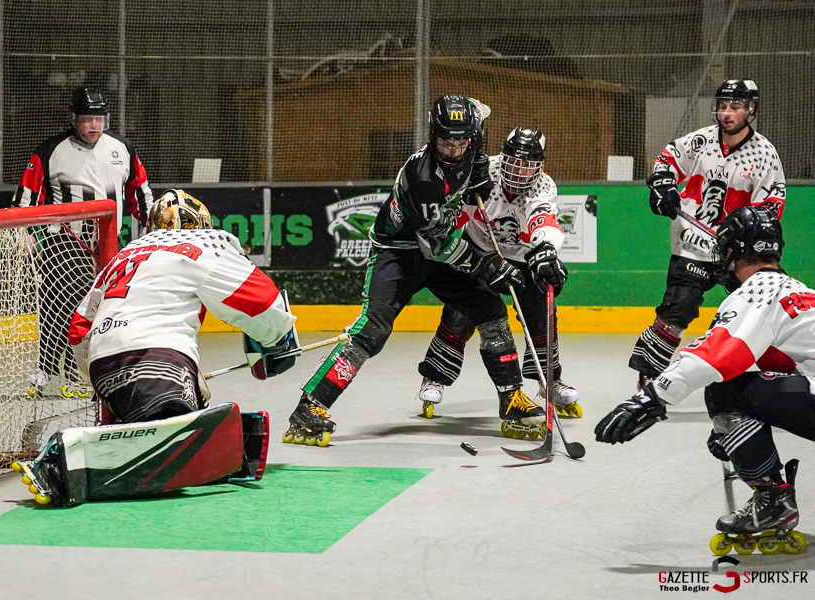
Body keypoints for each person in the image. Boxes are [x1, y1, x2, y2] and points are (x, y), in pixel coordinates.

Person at [284, 94, 543, 447]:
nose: (455, 150)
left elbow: (480, 110)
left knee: (490, 309)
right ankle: (310, 405)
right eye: (446, 142)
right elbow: (435, 245)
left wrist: (479, 168)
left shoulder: (471, 135)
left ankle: (512, 397)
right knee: (372, 330)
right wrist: (486, 263)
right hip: (398, 253)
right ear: (433, 136)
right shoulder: (422, 178)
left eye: (463, 142)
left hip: (435, 252)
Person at [13, 189, 298, 507]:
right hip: (157, 356)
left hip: (102, 363)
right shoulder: (204, 243)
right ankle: (61, 461)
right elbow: (263, 301)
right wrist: (278, 339)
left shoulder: (128, 252)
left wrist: (98, 382)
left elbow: (79, 328)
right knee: (174, 433)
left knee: (166, 418)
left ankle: (131, 432)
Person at [596, 206, 809, 555]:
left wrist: (651, 398)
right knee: (739, 385)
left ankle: (773, 499)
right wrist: (737, 432)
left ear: (733, 251)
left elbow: (714, 355)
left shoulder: (756, 291)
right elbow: (783, 366)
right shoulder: (796, 289)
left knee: (725, 390)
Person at [415, 127, 579, 427]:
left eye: (527, 164)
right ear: (502, 158)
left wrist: (546, 249)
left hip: (524, 256)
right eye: (513, 162)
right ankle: (434, 377)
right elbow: (455, 212)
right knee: (460, 313)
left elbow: (543, 220)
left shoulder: (543, 186)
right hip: (481, 251)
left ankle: (550, 382)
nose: (518, 171)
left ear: (539, 166)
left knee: (541, 313)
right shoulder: (482, 171)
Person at [629, 79, 786, 388]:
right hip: (694, 244)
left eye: (735, 107)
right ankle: (648, 378)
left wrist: (747, 238)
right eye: (723, 106)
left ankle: (786, 368)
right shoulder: (700, 141)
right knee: (678, 307)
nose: (726, 113)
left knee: (766, 307)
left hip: (741, 253)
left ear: (750, 109)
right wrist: (663, 185)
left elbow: (771, 206)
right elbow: (668, 159)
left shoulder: (764, 154)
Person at [12, 86, 155, 399]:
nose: (94, 125)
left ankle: (57, 372)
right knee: (71, 302)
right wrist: (24, 230)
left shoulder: (122, 148)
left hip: (108, 244)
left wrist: (149, 223)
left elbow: (139, 190)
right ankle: (67, 374)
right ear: (74, 119)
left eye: (99, 119)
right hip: (64, 240)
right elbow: (27, 193)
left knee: (85, 305)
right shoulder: (52, 150)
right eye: (87, 119)